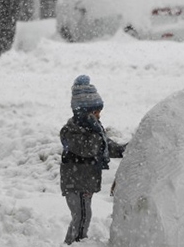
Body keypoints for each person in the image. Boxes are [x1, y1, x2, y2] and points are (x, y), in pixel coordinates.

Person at [60, 75, 127, 245]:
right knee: (81, 217)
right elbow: (89, 148)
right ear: (83, 112)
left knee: (83, 216)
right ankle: (74, 243)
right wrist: (97, 132)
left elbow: (106, 146)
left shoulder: (94, 130)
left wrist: (123, 149)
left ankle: (76, 242)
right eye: (95, 111)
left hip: (85, 181)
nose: (99, 115)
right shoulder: (70, 130)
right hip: (75, 182)